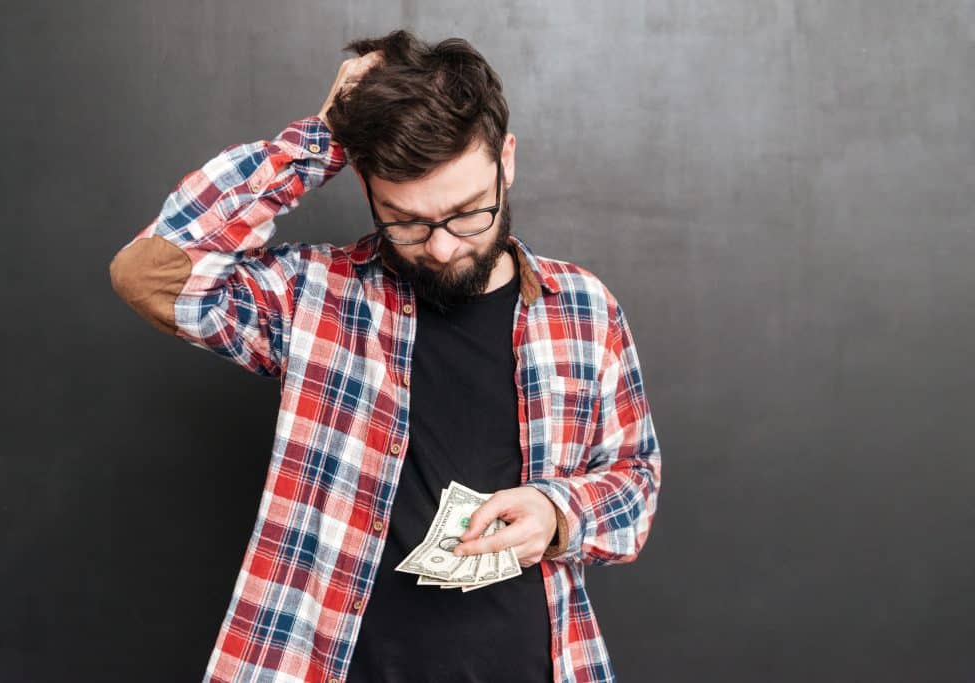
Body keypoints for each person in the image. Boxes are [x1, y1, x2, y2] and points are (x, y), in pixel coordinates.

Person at [109, 28, 661, 683]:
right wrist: (321, 139)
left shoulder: (584, 308)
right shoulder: (313, 295)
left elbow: (636, 480)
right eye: (408, 222)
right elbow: (150, 271)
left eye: (468, 213)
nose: (445, 247)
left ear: (506, 161)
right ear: (369, 187)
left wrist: (557, 512)